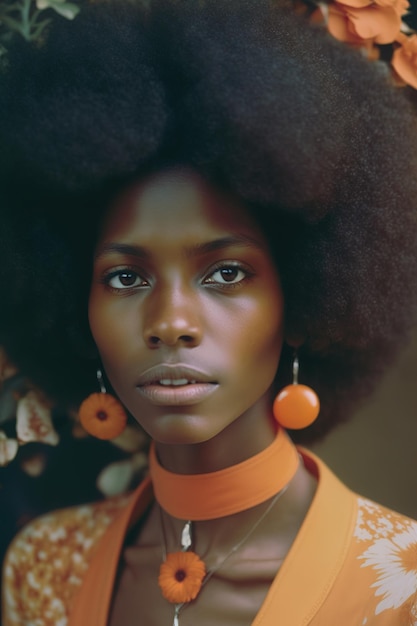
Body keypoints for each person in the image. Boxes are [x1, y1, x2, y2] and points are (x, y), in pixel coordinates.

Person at [2, 0, 417, 624]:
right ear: (73, 305)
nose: (171, 321)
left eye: (225, 273)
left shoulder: (402, 589)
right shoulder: (42, 568)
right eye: (125, 276)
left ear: (305, 299)